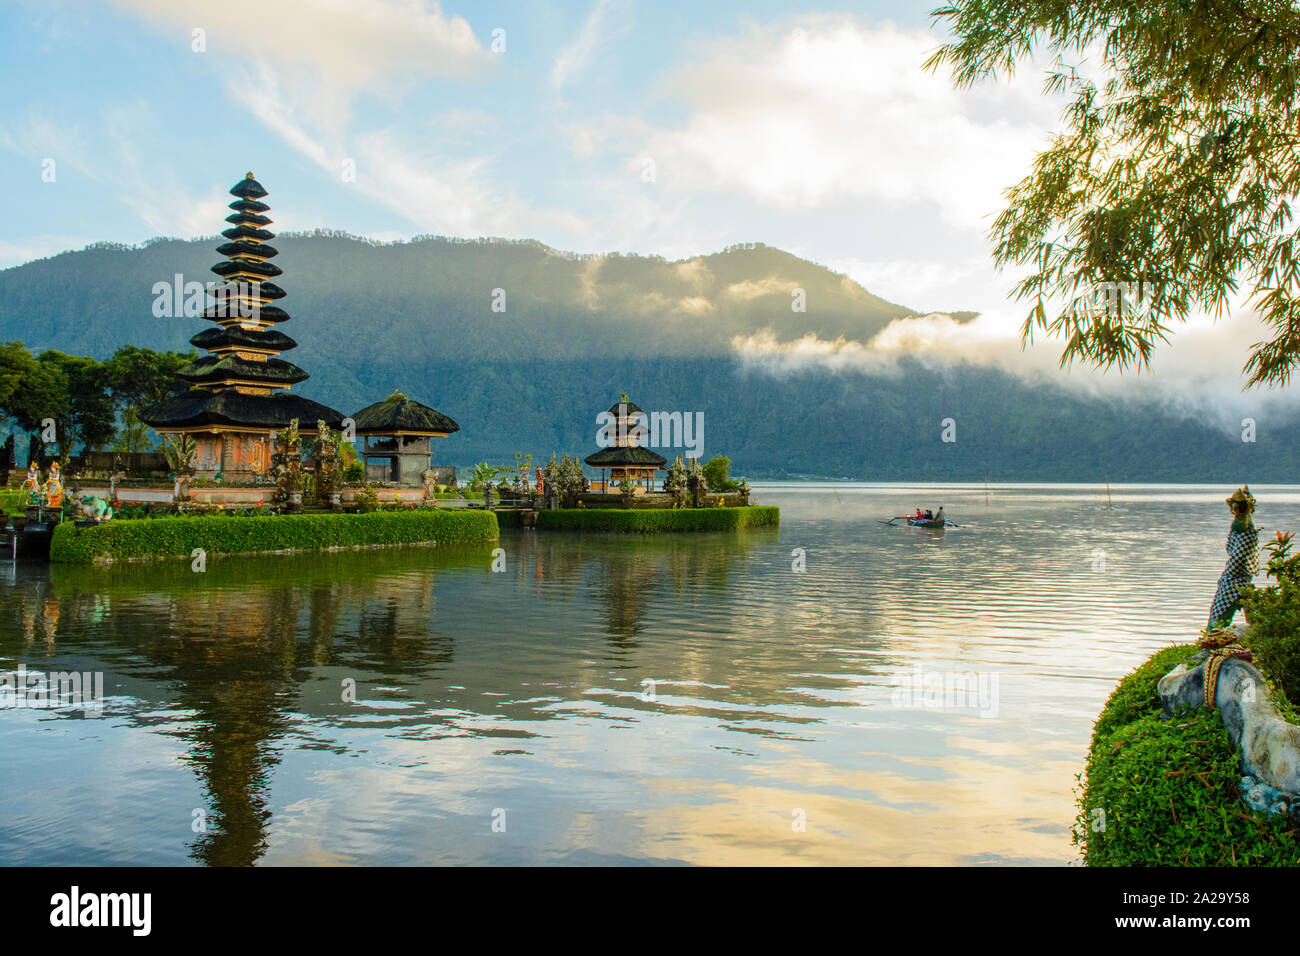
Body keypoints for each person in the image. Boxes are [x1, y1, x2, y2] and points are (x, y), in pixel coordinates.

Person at [1207, 486, 1259, 632]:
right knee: (1219, 608)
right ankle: (1214, 635)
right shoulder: (1240, 525)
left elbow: (1239, 558)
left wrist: (1228, 574)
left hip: (1237, 577)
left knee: (1222, 611)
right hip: (1236, 575)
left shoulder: (1246, 528)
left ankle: (1214, 636)